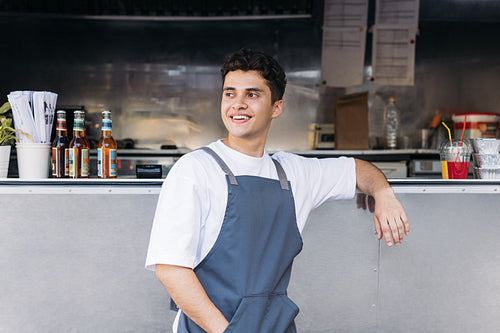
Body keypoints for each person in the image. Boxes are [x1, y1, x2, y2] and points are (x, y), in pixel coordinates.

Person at [145, 48, 409, 333]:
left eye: (253, 95)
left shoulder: (293, 172)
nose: (238, 104)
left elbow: (359, 169)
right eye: (230, 93)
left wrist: (383, 193)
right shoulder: (194, 170)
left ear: (276, 107)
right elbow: (171, 269)